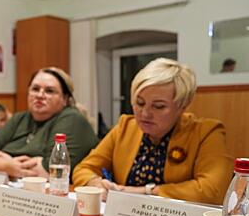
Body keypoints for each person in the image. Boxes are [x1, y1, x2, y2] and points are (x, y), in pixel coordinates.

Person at [73, 58, 233, 205]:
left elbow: (213, 191)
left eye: (159, 106)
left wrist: (146, 192)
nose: (144, 114)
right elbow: (83, 169)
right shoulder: (126, 127)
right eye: (139, 103)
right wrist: (96, 183)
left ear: (182, 106)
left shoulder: (206, 132)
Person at [0, 67, 98, 178]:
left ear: (65, 99)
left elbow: (49, 172)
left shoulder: (71, 118)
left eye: (49, 91)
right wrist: (8, 165)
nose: (40, 95)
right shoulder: (19, 118)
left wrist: (0, 163)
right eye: (35, 89)